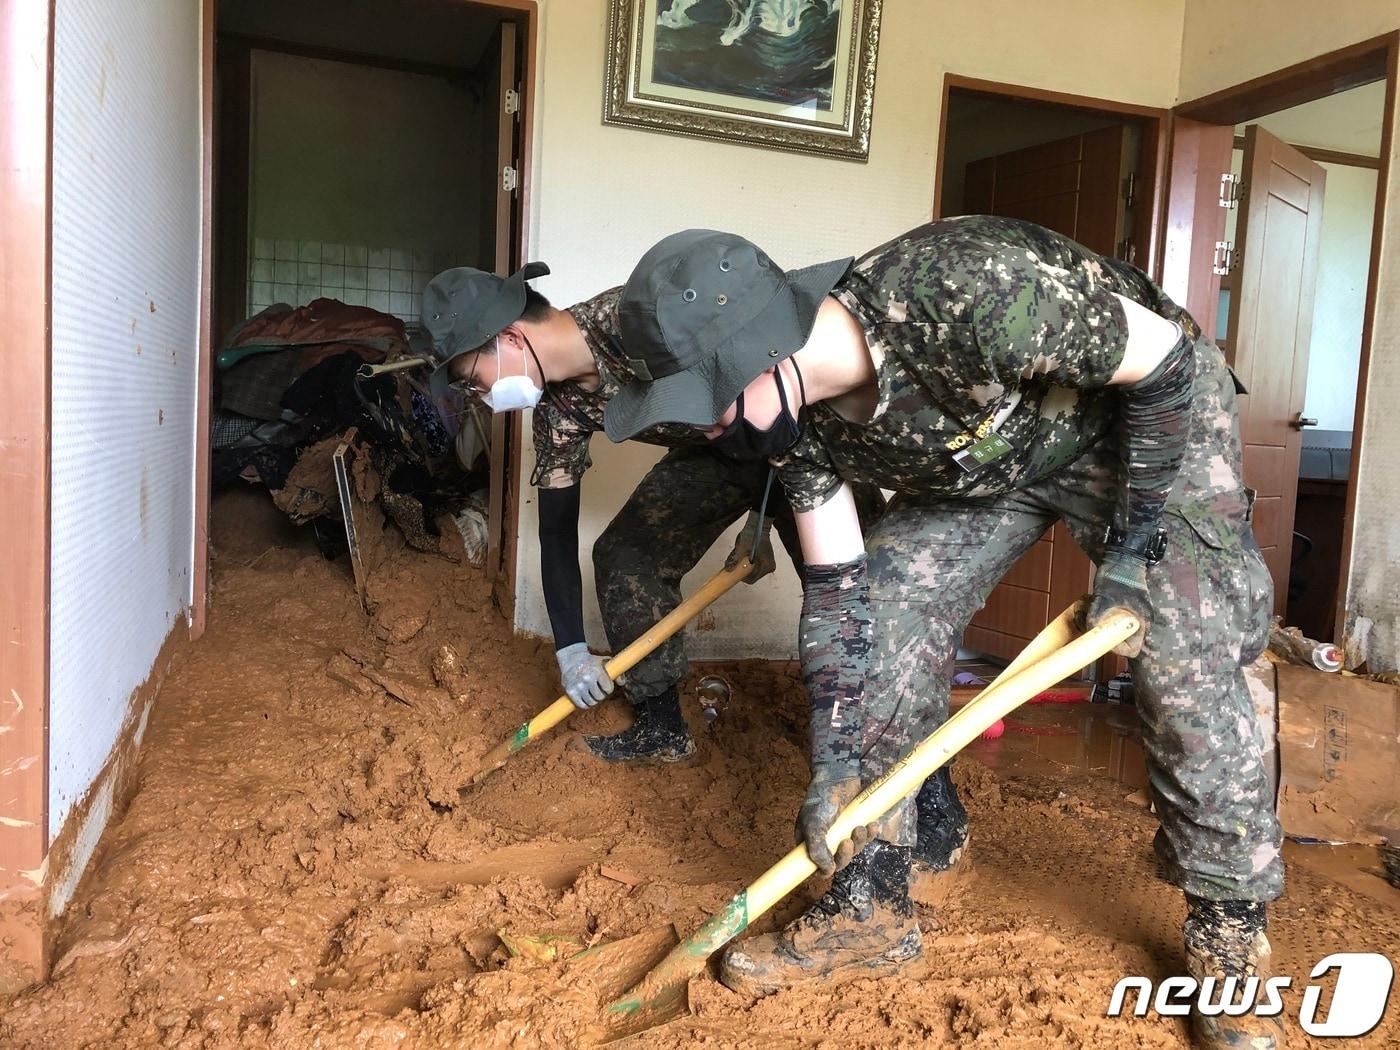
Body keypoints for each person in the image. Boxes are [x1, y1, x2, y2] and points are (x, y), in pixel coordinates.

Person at [604, 218, 1279, 1049]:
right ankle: (871, 906)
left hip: (1140, 423)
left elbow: (1166, 365)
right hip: (998, 463)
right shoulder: (797, 426)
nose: (705, 432)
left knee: (1188, 659)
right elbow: (843, 595)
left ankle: (1229, 937)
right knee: (887, 613)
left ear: (759, 355)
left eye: (703, 407)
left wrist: (1135, 548)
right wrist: (839, 762)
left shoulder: (965, 294)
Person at [423, 262, 883, 764]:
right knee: (624, 556)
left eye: (473, 380)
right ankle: (662, 726)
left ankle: (894, 753)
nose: (482, 398)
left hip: (802, 442)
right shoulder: (557, 412)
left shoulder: (645, 319)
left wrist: (766, 516)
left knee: (859, 595)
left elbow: (778, 379)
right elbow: (556, 529)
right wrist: (570, 650)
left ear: (509, 339)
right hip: (714, 457)